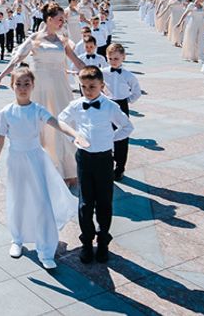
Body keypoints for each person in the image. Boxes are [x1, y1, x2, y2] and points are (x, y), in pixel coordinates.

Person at [0, 68, 82, 270]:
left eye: (26, 84)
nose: (22, 88)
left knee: (41, 201)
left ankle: (46, 249)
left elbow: (56, 123)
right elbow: (0, 140)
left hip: (36, 158)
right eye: (18, 84)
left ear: (33, 86)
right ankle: (17, 239)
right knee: (18, 199)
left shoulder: (37, 109)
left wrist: (74, 133)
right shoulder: (5, 112)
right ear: (12, 86)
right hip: (15, 160)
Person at [0, 2, 87, 183]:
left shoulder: (62, 40)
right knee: (42, 126)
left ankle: (67, 170)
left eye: (63, 20)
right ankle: (44, 168)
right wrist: (0, 77)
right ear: (49, 19)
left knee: (63, 123)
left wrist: (95, 76)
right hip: (40, 86)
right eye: (59, 19)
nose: (62, 23)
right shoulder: (34, 38)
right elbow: (17, 59)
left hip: (60, 86)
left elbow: (78, 62)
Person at [59, 67, 134, 264]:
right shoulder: (76, 105)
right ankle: (86, 242)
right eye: (83, 86)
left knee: (104, 201)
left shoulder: (110, 106)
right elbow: (61, 121)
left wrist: (111, 139)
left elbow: (127, 127)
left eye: (92, 86)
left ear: (102, 86)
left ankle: (103, 241)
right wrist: (74, 138)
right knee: (85, 203)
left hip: (104, 159)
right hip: (84, 158)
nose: (88, 90)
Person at [102, 44, 141, 180]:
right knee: (106, 134)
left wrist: (127, 100)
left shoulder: (128, 75)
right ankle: (107, 163)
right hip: (107, 104)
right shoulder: (103, 72)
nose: (113, 61)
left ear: (123, 58)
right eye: (110, 58)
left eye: (116, 58)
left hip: (121, 105)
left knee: (122, 136)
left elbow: (136, 90)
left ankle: (120, 167)